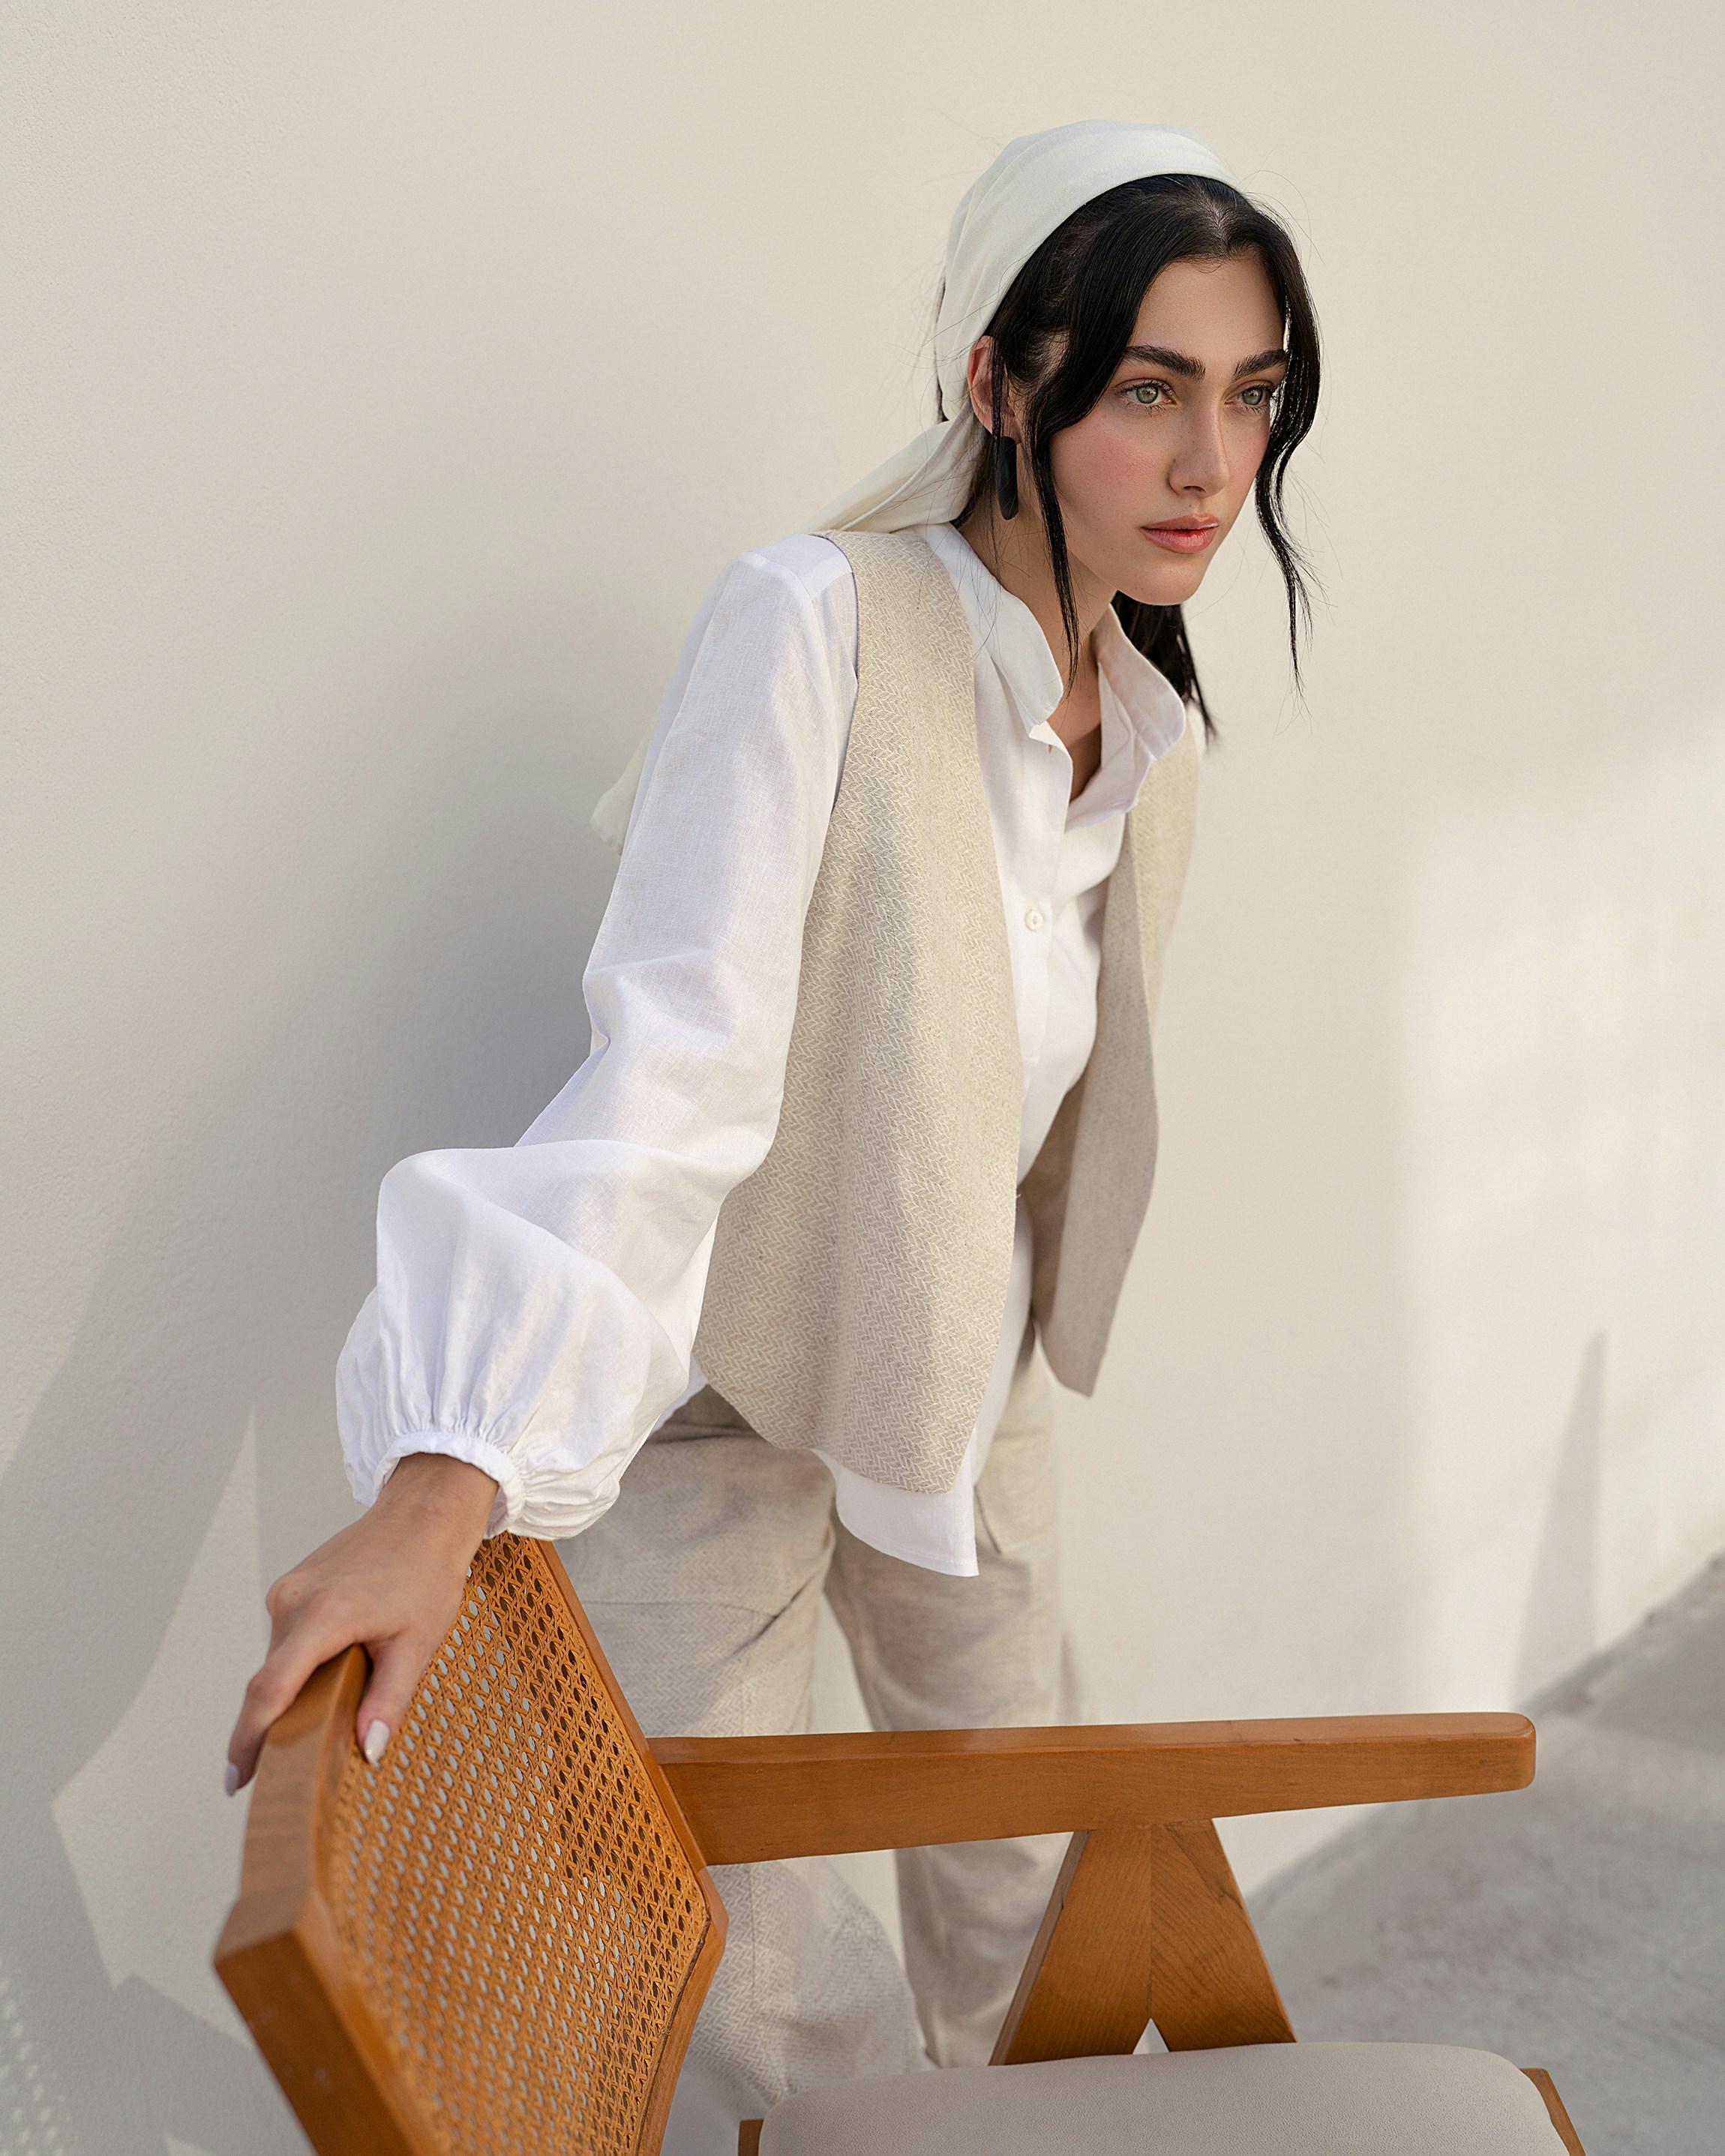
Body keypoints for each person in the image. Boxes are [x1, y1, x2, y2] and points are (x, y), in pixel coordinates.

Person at [226, 118, 1321, 2122]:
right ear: (999, 379)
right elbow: (676, 1071)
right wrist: (445, 1471)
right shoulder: (809, 626)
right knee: (761, 1980)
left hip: (967, 1389)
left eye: (1248, 396)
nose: (1206, 464)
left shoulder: (1151, 742)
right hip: (724, 1396)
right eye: (1146, 387)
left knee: (1027, 1891)